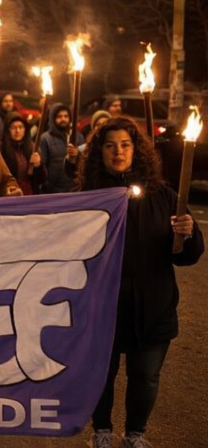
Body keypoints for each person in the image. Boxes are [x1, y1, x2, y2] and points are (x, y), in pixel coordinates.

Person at [76, 117, 204, 448]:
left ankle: (135, 434)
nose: (118, 152)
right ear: (98, 153)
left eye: (125, 144)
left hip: (153, 309)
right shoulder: (87, 198)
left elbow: (186, 256)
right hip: (103, 309)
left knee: (145, 377)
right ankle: (101, 430)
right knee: (101, 377)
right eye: (109, 145)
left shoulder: (164, 197)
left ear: (137, 150)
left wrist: (187, 236)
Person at [0, 113, 46, 196]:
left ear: (25, 129)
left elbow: (41, 179)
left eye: (20, 127)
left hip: (29, 194)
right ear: (8, 130)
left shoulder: (33, 147)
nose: (17, 131)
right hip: (9, 195)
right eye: (13, 127)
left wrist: (38, 166)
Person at [40, 103, 85, 193]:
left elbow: (83, 161)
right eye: (59, 116)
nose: (63, 119)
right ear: (53, 119)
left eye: (66, 116)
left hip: (74, 187)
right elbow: (43, 164)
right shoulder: (46, 138)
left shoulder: (78, 137)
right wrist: (47, 184)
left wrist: (77, 154)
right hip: (54, 189)